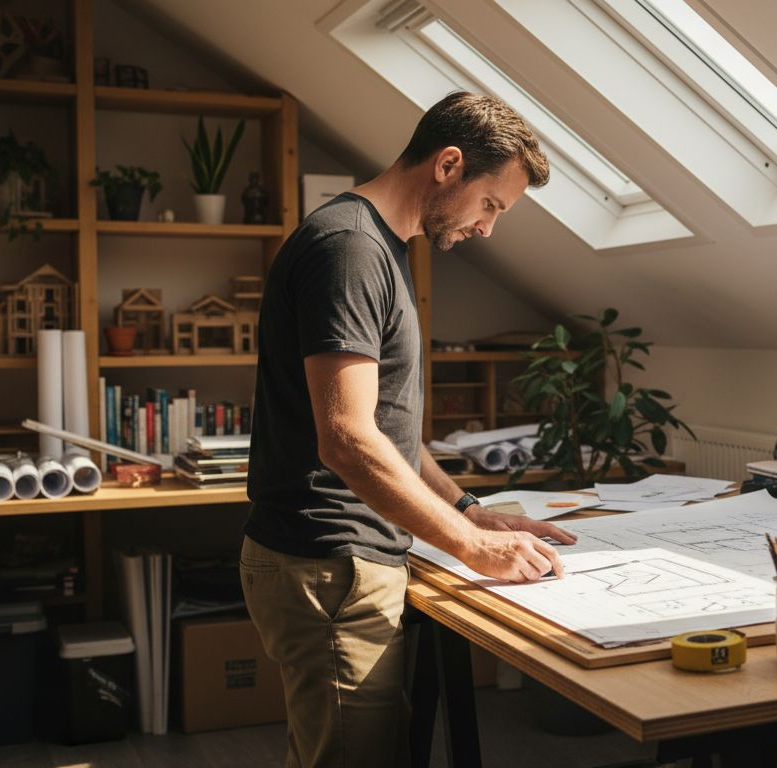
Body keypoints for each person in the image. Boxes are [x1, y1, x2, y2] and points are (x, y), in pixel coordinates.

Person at [239, 91, 575, 767]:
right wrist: (470, 549)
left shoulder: (377, 246)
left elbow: (392, 435)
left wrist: (471, 512)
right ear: (448, 164)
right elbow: (348, 439)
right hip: (330, 564)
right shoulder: (350, 251)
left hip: (340, 564)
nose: (487, 229)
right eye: (491, 205)